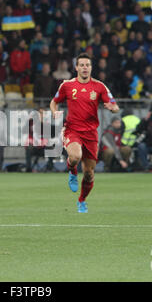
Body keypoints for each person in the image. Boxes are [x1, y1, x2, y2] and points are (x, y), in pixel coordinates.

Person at [50, 53, 120, 213]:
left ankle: (82, 200)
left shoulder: (99, 87)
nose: (84, 68)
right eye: (81, 65)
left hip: (91, 133)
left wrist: (112, 107)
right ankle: (72, 170)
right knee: (75, 156)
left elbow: (115, 105)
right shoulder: (67, 86)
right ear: (76, 68)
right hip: (72, 129)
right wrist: (54, 112)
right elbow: (54, 102)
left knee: (89, 173)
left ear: (91, 67)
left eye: (87, 65)